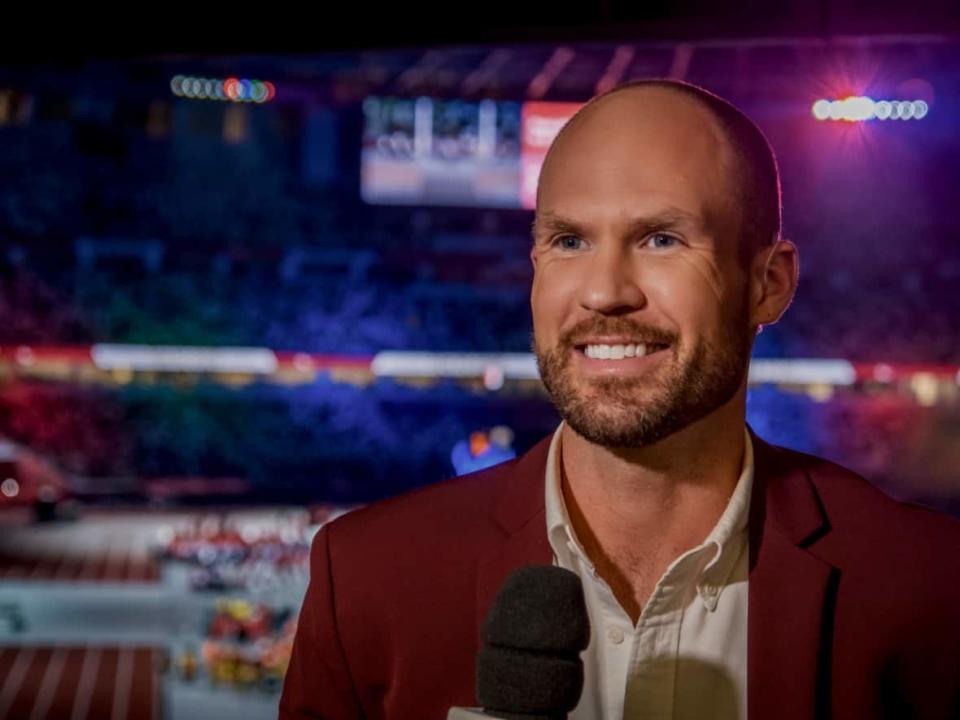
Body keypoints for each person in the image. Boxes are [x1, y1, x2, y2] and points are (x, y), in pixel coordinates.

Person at [279, 80, 960, 720]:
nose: (604, 292)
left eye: (661, 239)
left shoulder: (929, 586)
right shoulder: (366, 577)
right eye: (568, 241)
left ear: (769, 283)